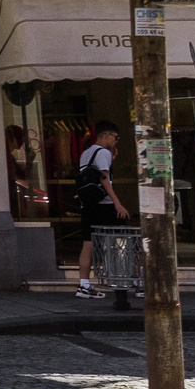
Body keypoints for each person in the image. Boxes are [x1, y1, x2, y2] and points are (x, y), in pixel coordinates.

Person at [74, 121, 126, 297]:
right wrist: (117, 203)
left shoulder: (86, 153)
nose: (116, 141)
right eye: (115, 137)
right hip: (104, 205)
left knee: (87, 243)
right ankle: (130, 280)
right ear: (105, 135)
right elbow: (104, 179)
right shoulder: (103, 152)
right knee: (123, 239)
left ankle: (84, 284)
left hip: (88, 205)